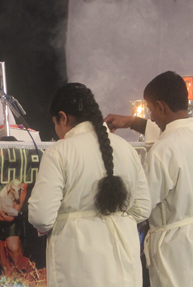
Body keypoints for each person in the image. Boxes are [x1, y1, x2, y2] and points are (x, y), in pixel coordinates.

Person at [105, 71, 193, 287]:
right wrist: (132, 122)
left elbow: (141, 204)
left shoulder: (163, 151)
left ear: (161, 106)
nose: (151, 117)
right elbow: (176, 135)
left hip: (179, 249)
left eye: (151, 109)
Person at [28, 83, 151, 287]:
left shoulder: (59, 151)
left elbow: (40, 216)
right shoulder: (126, 148)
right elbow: (143, 208)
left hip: (78, 264)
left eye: (55, 123)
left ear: (63, 117)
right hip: (123, 261)